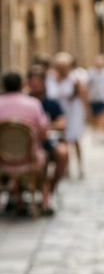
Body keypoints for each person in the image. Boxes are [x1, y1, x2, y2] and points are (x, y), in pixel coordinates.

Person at [0, 70, 49, 212]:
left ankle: (18, 199)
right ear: (22, 85)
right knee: (46, 157)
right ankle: (45, 202)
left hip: (2, 159)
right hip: (29, 159)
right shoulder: (33, 104)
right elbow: (43, 132)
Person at [26, 66, 68, 210]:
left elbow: (62, 123)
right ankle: (44, 197)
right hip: (28, 143)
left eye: (38, 82)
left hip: (47, 139)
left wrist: (48, 126)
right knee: (42, 158)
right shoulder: (27, 102)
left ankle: (49, 190)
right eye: (33, 82)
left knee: (62, 154)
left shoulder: (51, 102)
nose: (35, 85)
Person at [49, 52, 88, 179]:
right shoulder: (52, 78)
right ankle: (66, 168)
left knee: (75, 138)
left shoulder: (75, 77)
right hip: (60, 111)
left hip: (73, 111)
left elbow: (81, 93)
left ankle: (80, 167)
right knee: (63, 139)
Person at [87, 54, 104, 141]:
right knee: (94, 117)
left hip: (103, 97)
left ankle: (103, 134)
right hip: (93, 98)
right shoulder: (91, 72)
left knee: (103, 116)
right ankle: (94, 133)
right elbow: (87, 85)